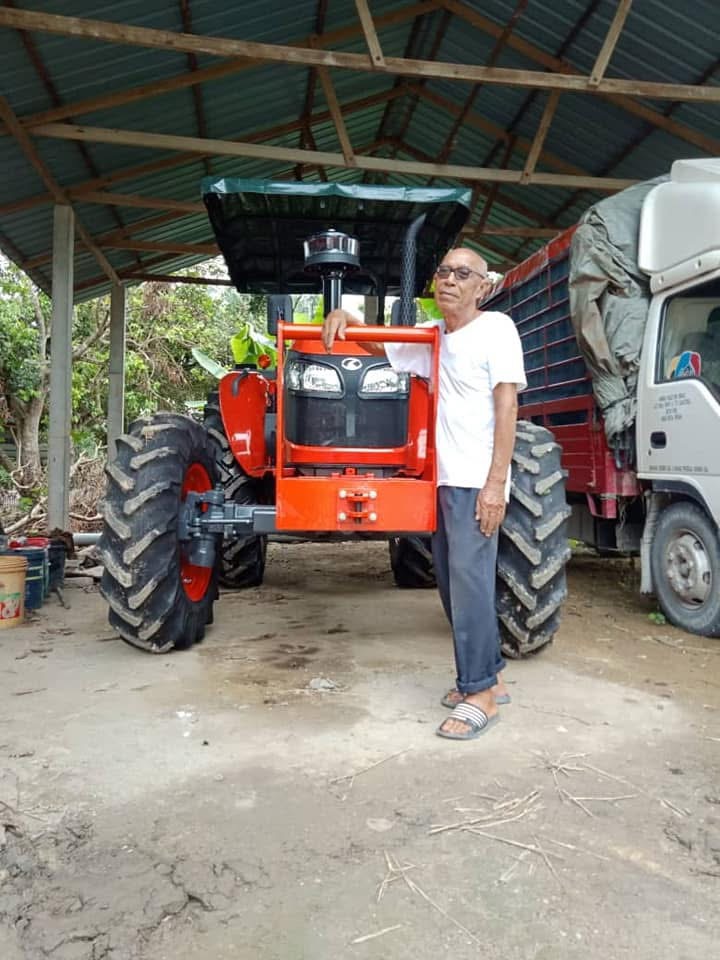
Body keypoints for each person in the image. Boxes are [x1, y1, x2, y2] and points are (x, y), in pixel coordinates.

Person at [322, 247, 527, 741]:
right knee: (455, 585)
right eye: (443, 271)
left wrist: (495, 485)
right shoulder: (434, 336)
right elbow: (381, 349)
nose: (450, 280)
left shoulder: (496, 329)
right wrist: (346, 318)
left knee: (471, 584)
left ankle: (479, 694)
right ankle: (491, 676)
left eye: (463, 274)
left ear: (482, 286)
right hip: (444, 479)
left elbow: (507, 407)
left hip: (476, 480)